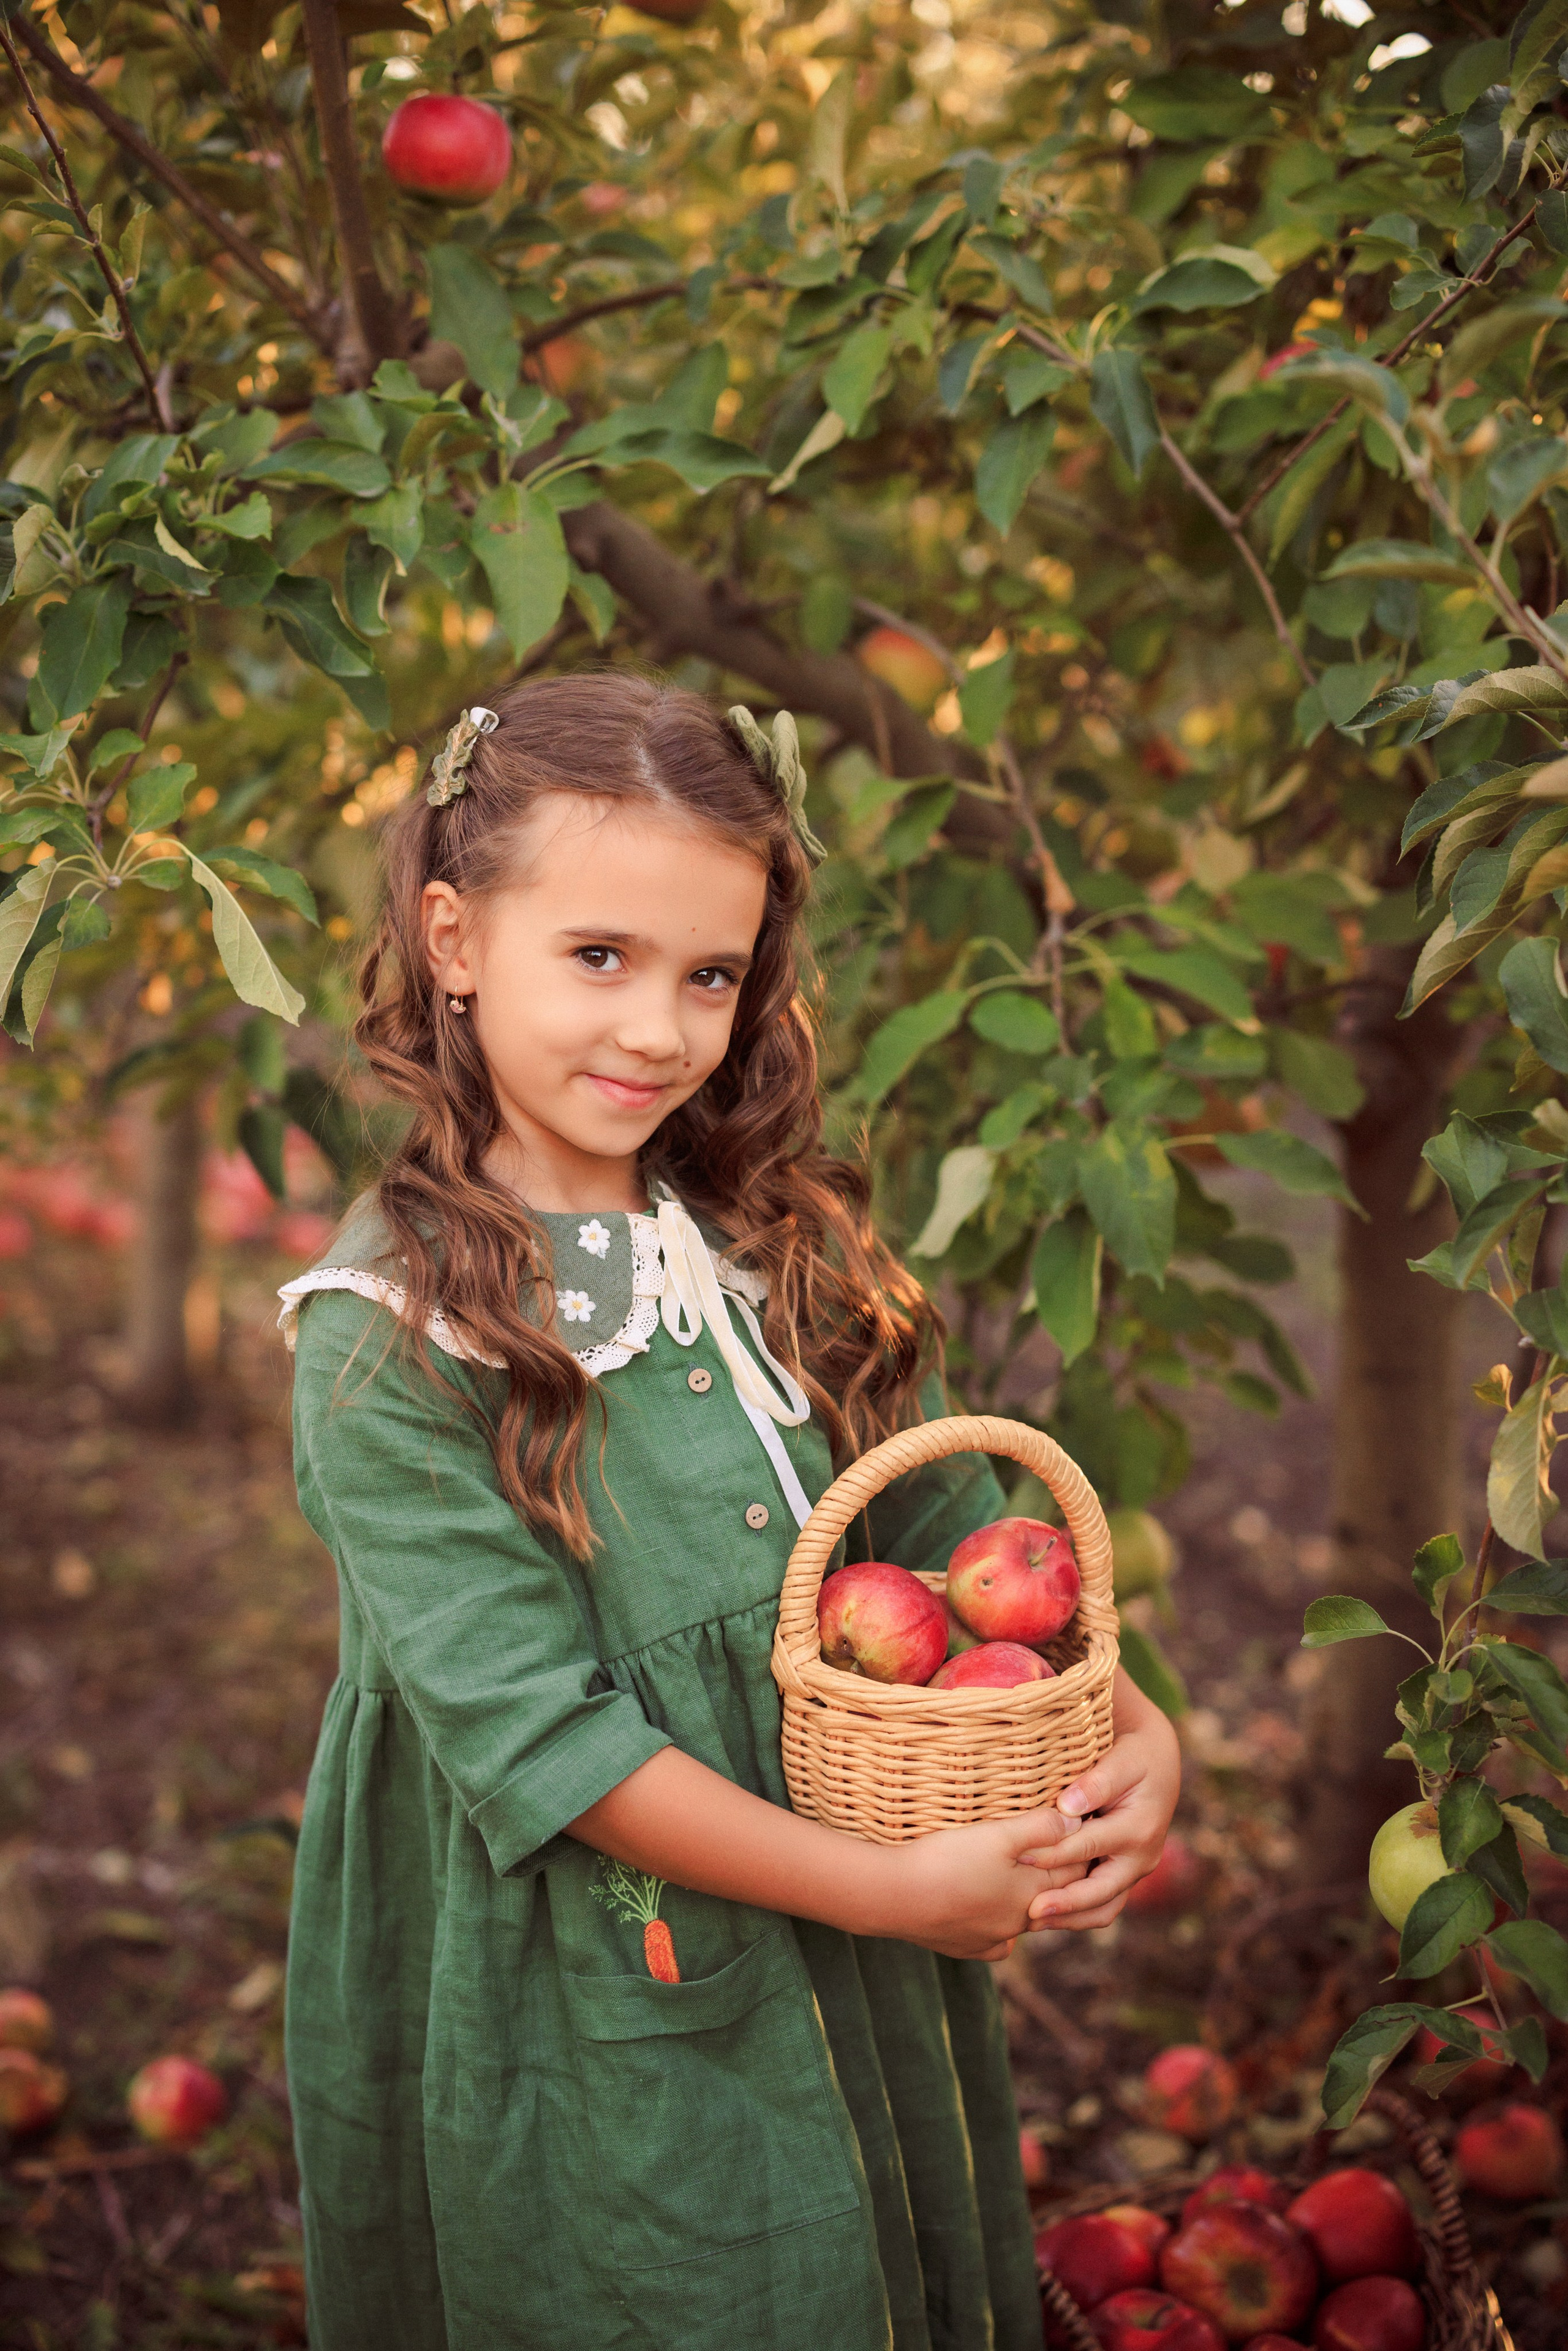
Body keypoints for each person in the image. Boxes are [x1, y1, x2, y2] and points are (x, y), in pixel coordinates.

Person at [277, 673, 1180, 2351]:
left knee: (860, 2251)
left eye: (709, 976)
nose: (658, 1031)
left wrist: (1131, 1724)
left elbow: (942, 1538)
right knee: (666, 2268)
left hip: (855, 1897)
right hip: (583, 1953)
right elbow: (542, 1744)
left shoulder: (765, 1239)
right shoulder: (390, 1336)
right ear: (454, 936)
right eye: (600, 958)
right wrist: (891, 1896)